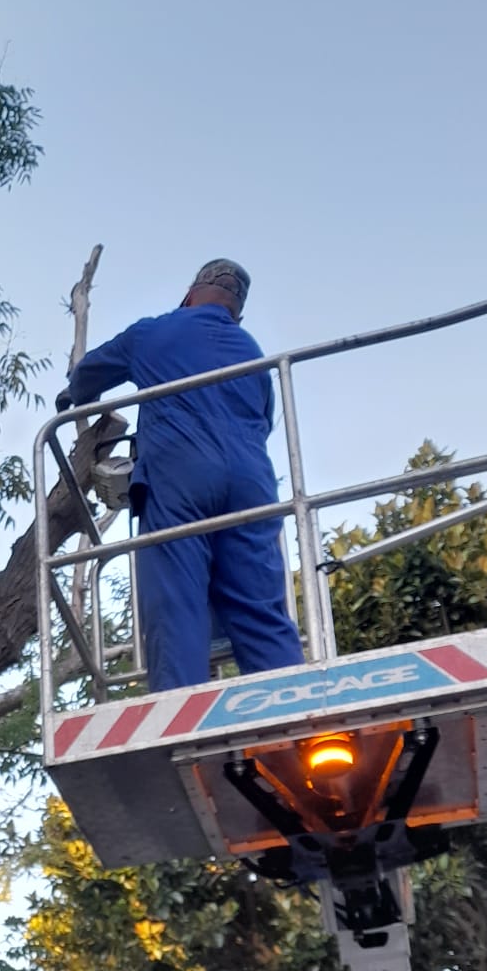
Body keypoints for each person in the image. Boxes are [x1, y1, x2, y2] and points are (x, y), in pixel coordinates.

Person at [58, 259, 304, 693]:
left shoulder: (154, 332)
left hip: (180, 477)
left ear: (189, 296)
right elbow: (263, 421)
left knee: (178, 606)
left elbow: (87, 375)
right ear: (236, 312)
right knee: (261, 609)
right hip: (251, 485)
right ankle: (292, 710)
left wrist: (73, 394)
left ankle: (182, 727)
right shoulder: (251, 351)